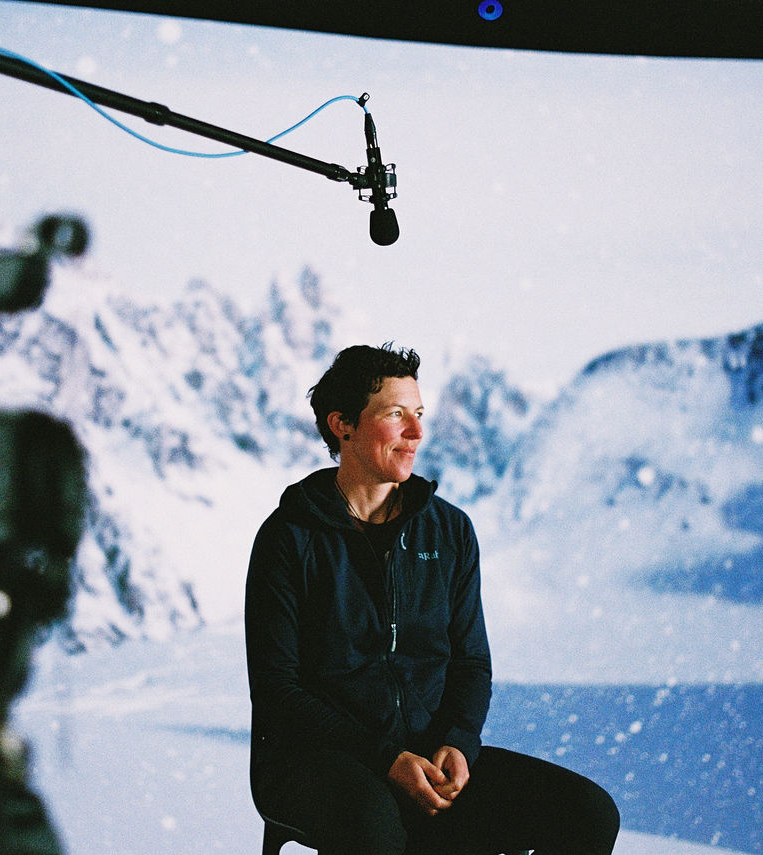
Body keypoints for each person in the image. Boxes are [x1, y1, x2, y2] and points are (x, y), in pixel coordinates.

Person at [245, 343, 620, 855]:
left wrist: (458, 745)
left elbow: (471, 662)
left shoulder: (449, 531)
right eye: (396, 415)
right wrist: (385, 759)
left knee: (588, 814)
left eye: (419, 415)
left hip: (430, 756)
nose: (417, 433)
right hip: (316, 759)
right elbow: (279, 691)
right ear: (343, 425)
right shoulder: (290, 537)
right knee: (375, 828)